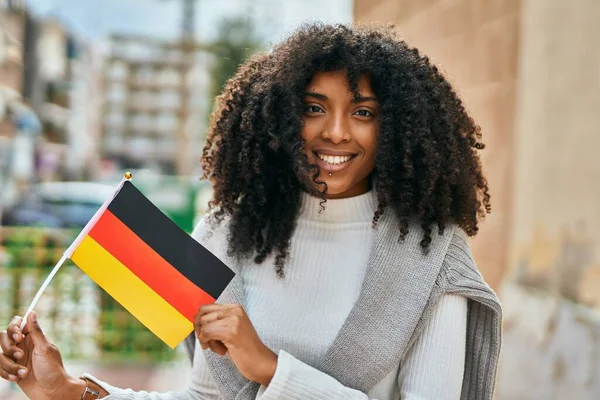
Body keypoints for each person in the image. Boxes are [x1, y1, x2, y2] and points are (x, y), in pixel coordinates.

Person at [0, 24, 502, 400]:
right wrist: (69, 390)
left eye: (363, 112)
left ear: (396, 128)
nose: (337, 132)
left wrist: (270, 369)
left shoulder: (430, 257)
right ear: (282, 118)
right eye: (313, 107)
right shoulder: (228, 235)